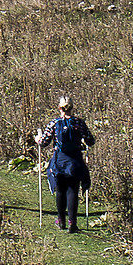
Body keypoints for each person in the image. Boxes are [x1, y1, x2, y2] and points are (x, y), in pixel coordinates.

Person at [39, 95, 96, 232]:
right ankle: (72, 222)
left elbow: (43, 142)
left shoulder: (54, 123)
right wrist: (83, 142)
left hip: (59, 161)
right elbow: (90, 140)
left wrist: (37, 138)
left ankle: (61, 220)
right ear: (72, 108)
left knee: (60, 190)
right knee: (73, 191)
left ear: (59, 108)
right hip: (75, 161)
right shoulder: (79, 123)